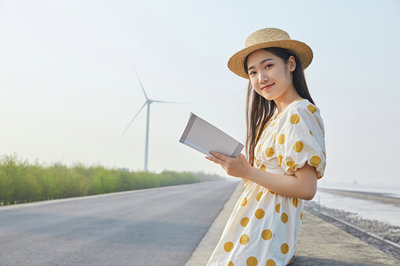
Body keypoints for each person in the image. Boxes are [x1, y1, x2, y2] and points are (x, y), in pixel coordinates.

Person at [205, 27, 326, 266]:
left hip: (266, 234)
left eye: (268, 66)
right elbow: (272, 176)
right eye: (253, 72)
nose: (261, 78)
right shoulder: (276, 117)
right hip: (254, 230)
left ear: (291, 64)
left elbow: (306, 187)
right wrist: (243, 168)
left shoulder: (299, 112)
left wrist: (248, 172)